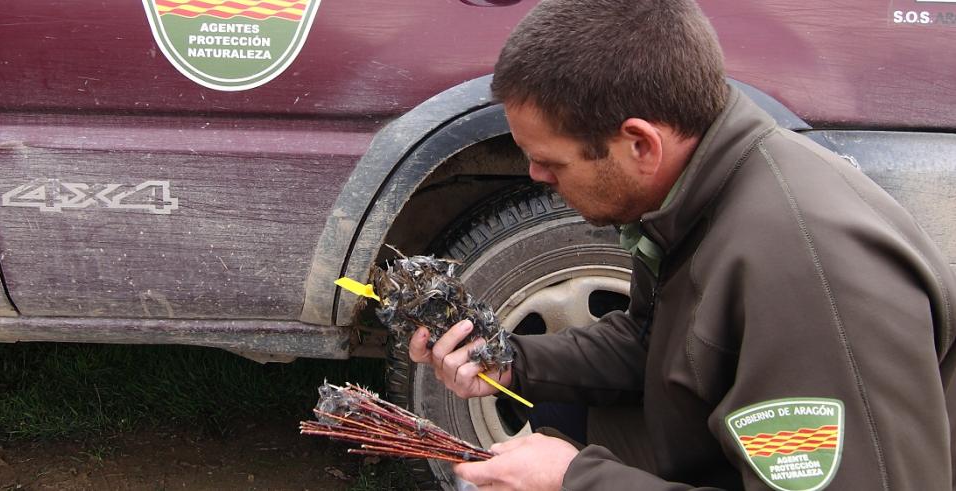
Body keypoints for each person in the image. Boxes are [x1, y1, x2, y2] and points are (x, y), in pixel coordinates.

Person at [408, 0, 956, 489]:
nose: (534, 175)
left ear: (641, 143)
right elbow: (655, 343)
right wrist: (510, 361)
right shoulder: (698, 191)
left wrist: (575, 480)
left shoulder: (807, 278)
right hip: (706, 440)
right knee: (561, 403)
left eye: (552, 162)